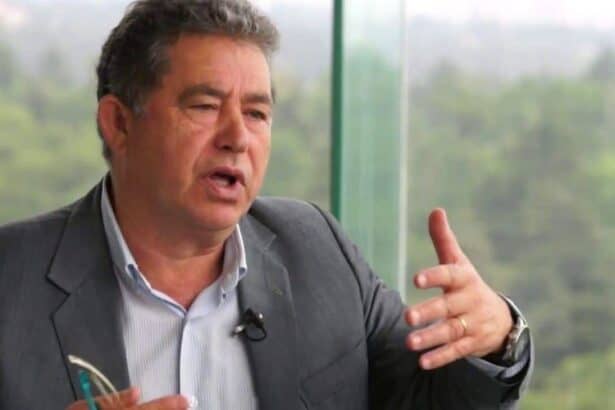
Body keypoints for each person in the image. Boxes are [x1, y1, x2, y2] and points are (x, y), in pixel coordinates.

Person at [0, 0, 532, 409]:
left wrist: (495, 337)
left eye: (256, 114)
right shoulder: (11, 280)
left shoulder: (316, 249)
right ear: (119, 123)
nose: (237, 137)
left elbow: (426, 401)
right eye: (205, 106)